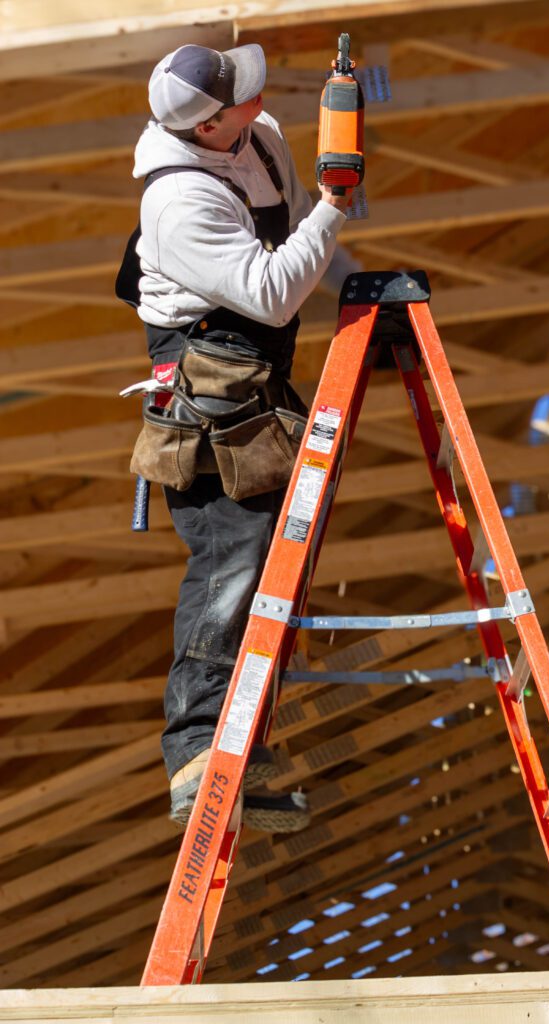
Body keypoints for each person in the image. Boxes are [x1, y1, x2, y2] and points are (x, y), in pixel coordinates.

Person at [131, 42, 355, 831]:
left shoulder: (259, 138)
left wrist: (336, 233)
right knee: (230, 561)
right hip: (208, 391)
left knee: (270, 565)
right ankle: (198, 753)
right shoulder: (178, 200)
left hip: (251, 381)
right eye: (244, 98)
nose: (261, 101)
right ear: (210, 124)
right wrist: (336, 204)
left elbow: (290, 229)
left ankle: (240, 751)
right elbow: (270, 292)